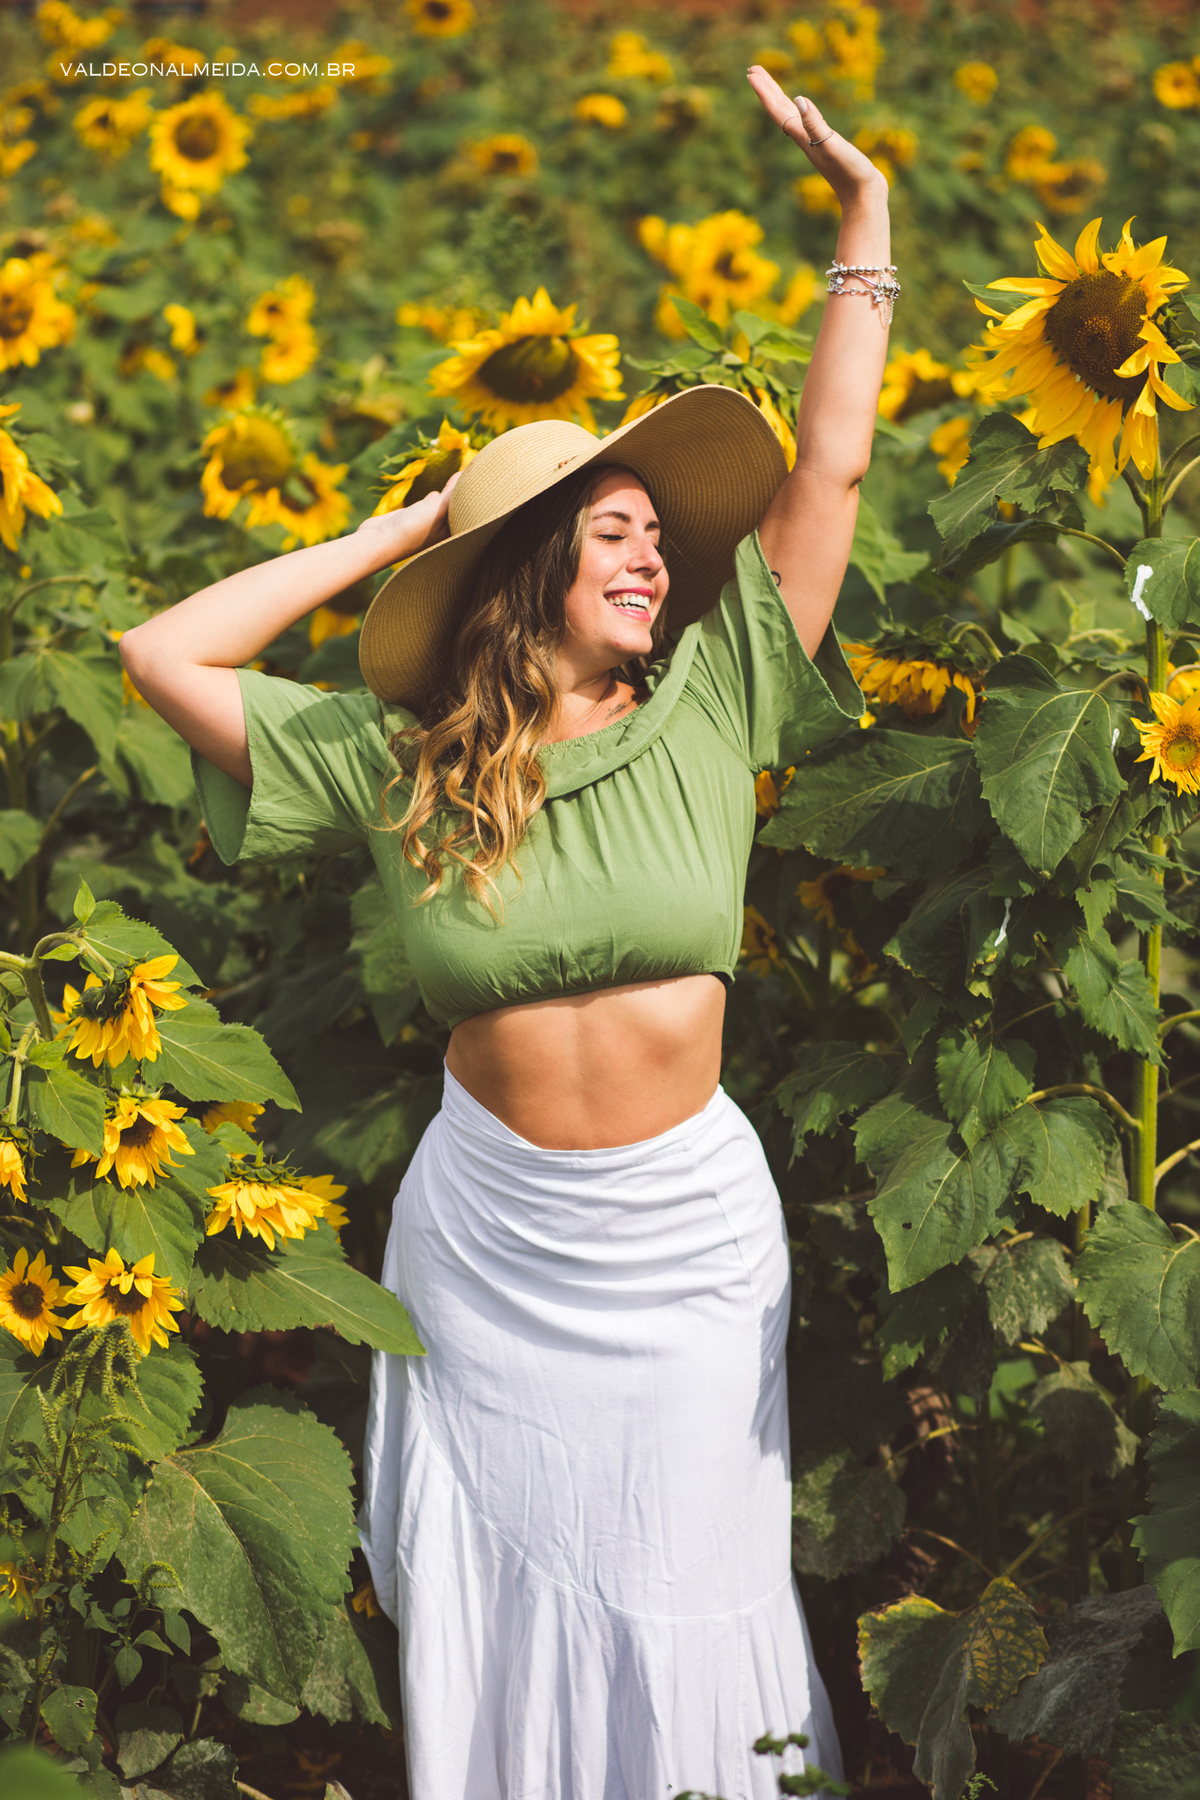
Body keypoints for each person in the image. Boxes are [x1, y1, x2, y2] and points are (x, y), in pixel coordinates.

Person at [121, 69, 892, 1800]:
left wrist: (865, 228)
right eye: (610, 534)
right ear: (524, 570)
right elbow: (166, 657)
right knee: (511, 1584)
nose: (652, 558)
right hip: (491, 1249)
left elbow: (830, 461)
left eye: (653, 537)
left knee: (692, 1578)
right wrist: (421, 525)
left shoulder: (716, 692)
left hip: (683, 1242)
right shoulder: (396, 768)